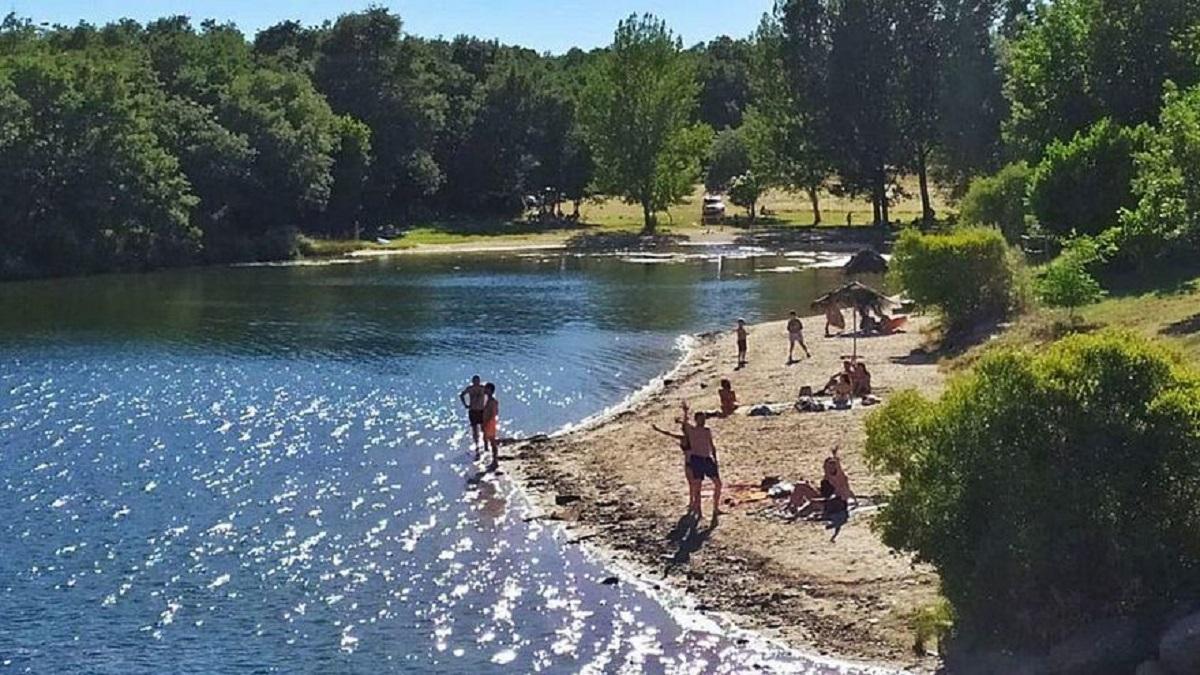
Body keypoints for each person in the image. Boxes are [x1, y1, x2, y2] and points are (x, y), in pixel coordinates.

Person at [787, 453, 855, 542]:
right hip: (825, 498)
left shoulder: (839, 478)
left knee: (813, 504)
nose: (828, 468)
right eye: (826, 466)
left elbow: (838, 495)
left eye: (831, 465)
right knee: (801, 486)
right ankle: (792, 507)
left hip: (835, 505)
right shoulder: (827, 476)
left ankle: (797, 515)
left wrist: (835, 457)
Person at [681, 404, 723, 519]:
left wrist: (715, 458)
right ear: (696, 420)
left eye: (704, 419)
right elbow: (684, 423)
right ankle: (699, 511)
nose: (703, 421)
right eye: (701, 419)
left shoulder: (707, 430)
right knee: (697, 486)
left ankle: (715, 508)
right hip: (697, 459)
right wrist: (685, 411)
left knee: (718, 484)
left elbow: (711, 445)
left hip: (707, 458)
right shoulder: (692, 431)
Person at [652, 410, 697, 512]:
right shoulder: (695, 436)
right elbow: (687, 424)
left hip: (689, 463)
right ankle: (694, 502)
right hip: (697, 460)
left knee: (691, 483)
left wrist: (657, 429)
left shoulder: (683, 438)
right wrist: (684, 415)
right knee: (696, 483)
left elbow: (669, 433)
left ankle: (692, 502)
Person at [459, 375, 489, 453]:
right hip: (473, 410)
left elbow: (489, 394)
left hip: (481, 410)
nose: (476, 382)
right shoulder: (470, 389)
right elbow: (461, 395)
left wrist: (487, 405)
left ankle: (486, 444)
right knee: (475, 430)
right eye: (475, 381)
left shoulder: (483, 388)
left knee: (484, 428)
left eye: (477, 380)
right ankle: (477, 445)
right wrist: (465, 404)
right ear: (473, 381)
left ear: (479, 381)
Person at [481, 383, 500, 469]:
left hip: (490, 423)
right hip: (488, 423)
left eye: (486, 389)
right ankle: (493, 460)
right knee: (490, 441)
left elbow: (494, 413)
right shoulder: (488, 401)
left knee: (492, 442)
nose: (484, 390)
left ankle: (495, 461)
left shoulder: (492, 401)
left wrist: (487, 422)